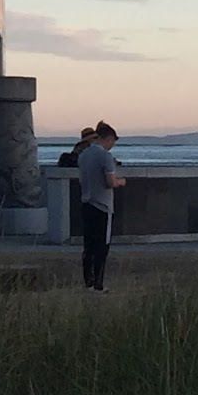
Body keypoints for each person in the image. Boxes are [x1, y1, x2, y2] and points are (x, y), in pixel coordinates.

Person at [78, 121, 125, 291]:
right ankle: (99, 283)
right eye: (113, 141)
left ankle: (88, 282)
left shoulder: (83, 155)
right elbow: (110, 181)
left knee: (88, 246)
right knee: (102, 246)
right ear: (108, 138)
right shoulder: (105, 156)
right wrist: (121, 182)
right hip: (103, 206)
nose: (113, 145)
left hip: (87, 203)